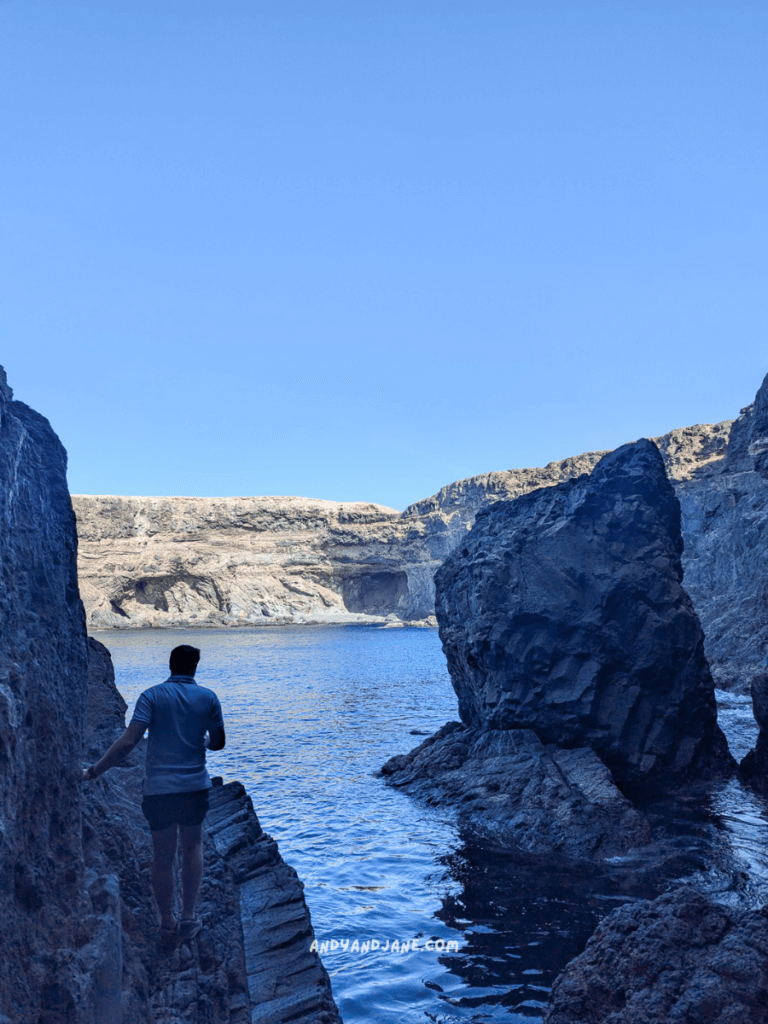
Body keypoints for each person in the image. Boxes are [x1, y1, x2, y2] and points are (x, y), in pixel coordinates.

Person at [82, 644, 226, 947]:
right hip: (194, 787)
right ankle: (188, 918)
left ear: (170, 665)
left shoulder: (151, 696)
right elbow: (218, 743)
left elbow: (128, 742)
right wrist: (200, 740)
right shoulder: (208, 698)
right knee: (192, 847)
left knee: (162, 857)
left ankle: (166, 924)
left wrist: (95, 771)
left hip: (159, 790)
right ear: (194, 667)